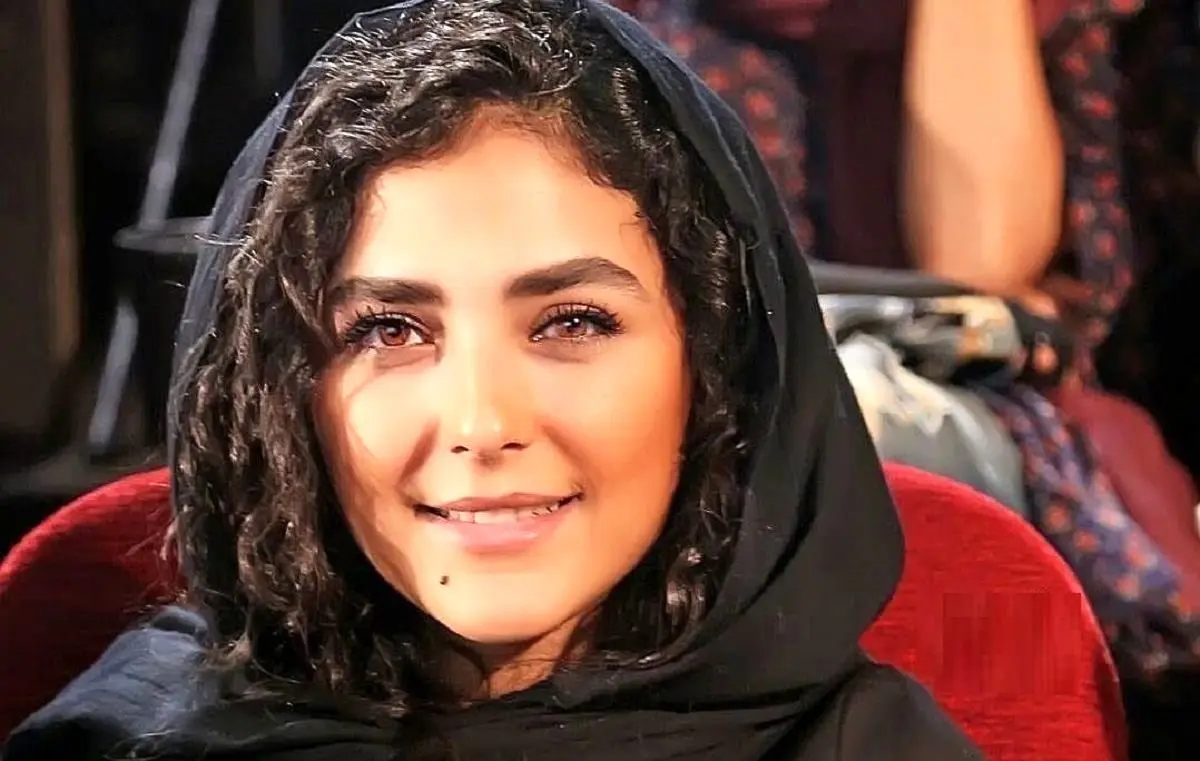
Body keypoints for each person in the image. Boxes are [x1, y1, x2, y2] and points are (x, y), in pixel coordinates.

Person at [2, 2, 982, 760]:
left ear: (717, 369)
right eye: (389, 330)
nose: (481, 421)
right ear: (280, 393)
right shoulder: (129, 743)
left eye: (572, 322)